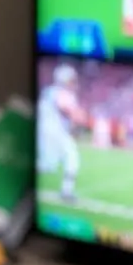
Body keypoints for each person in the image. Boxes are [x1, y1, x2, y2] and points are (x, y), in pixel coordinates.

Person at [37, 64, 84, 201]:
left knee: (72, 157)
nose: (73, 82)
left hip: (55, 132)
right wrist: (79, 116)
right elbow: (67, 109)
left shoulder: (50, 91)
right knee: (47, 166)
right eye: (71, 80)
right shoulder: (60, 93)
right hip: (53, 133)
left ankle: (66, 191)